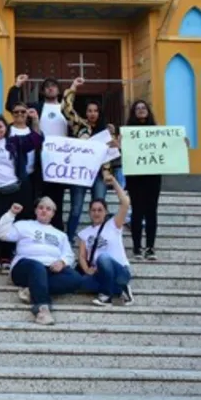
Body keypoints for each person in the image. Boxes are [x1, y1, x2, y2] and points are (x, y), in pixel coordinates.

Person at [0, 199, 82, 325]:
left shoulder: (60, 235)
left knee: (76, 278)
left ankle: (33, 288)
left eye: (48, 209)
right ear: (36, 210)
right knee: (37, 267)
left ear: (53, 213)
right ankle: (42, 309)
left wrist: (62, 262)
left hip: (50, 269)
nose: (44, 210)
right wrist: (11, 214)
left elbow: (69, 255)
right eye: (41, 207)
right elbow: (2, 234)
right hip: (25, 266)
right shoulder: (24, 225)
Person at [0, 112, 43, 272]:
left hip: (15, 189)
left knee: (12, 222)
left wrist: (35, 121)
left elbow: (36, 140)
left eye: (0, 126)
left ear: (6, 128)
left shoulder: (16, 142)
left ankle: (7, 254)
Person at [6, 74, 70, 230]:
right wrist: (16, 86)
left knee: (58, 198)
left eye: (53, 85)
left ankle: (57, 229)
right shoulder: (36, 107)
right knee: (39, 196)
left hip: (62, 159)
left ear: (58, 89)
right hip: (41, 158)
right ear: (42, 91)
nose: (50, 87)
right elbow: (13, 106)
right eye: (47, 86)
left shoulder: (67, 109)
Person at [63, 78, 117, 242]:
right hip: (80, 174)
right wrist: (72, 88)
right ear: (85, 112)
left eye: (95, 111)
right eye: (89, 110)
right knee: (76, 209)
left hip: (99, 175)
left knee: (99, 208)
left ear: (99, 113)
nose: (92, 113)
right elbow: (67, 109)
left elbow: (112, 154)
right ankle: (69, 237)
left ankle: (98, 237)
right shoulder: (79, 126)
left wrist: (115, 144)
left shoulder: (107, 131)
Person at [78, 172, 134, 306]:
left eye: (100, 210)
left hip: (120, 272)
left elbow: (125, 203)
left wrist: (114, 182)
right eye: (93, 210)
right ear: (89, 212)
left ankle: (107, 296)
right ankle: (120, 290)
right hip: (99, 273)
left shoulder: (114, 224)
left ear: (106, 212)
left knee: (102, 258)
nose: (96, 213)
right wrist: (86, 270)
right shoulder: (84, 233)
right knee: (80, 282)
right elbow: (81, 255)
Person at [125, 100, 167, 261]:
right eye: (138, 108)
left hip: (153, 176)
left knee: (151, 212)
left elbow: (169, 147)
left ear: (148, 111)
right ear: (133, 113)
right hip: (135, 176)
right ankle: (136, 247)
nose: (141, 110)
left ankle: (150, 247)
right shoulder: (128, 131)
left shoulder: (157, 131)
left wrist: (180, 143)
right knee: (137, 211)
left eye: (144, 108)